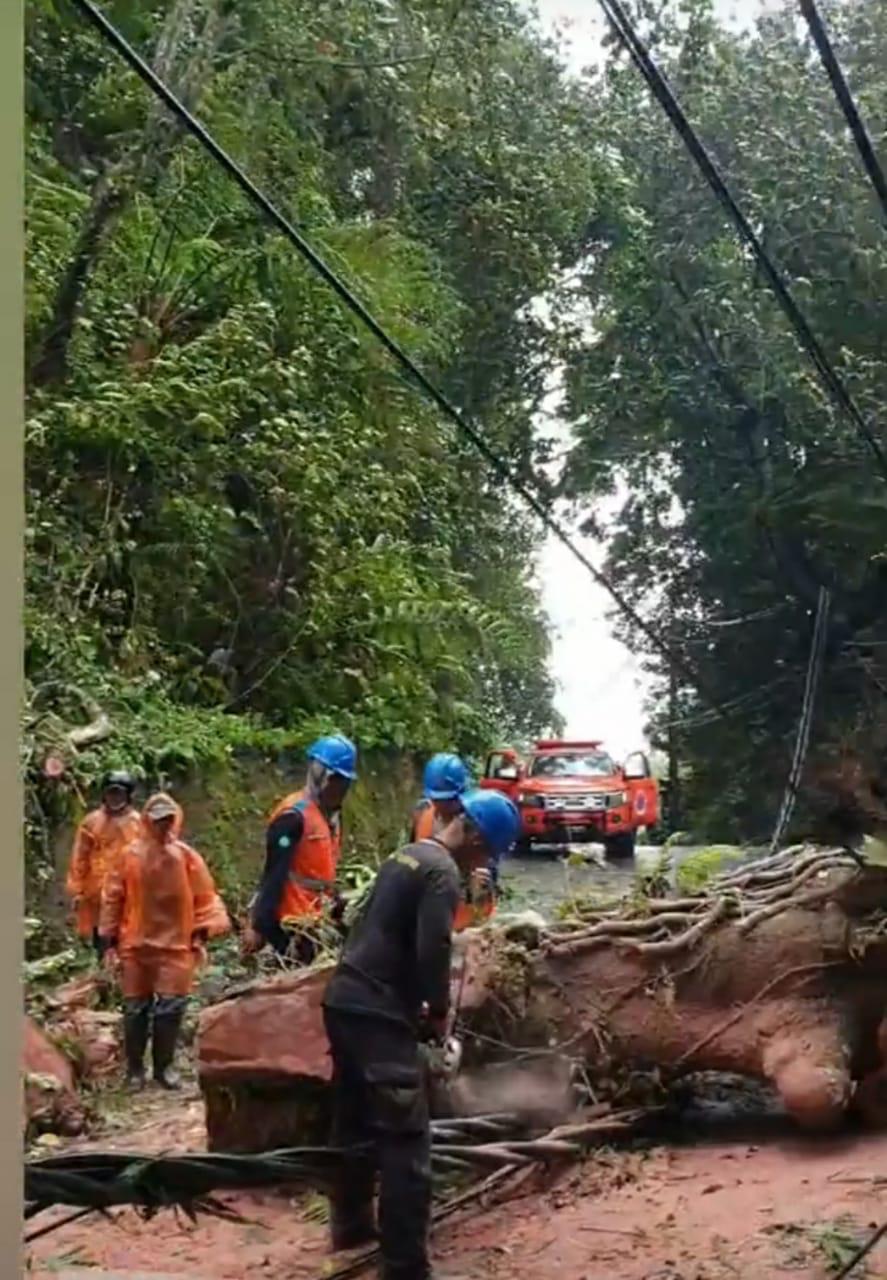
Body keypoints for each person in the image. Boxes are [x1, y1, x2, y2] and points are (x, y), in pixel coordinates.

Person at [322, 788, 520, 1280]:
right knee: (406, 1139)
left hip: (344, 998)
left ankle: (349, 1226)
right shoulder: (442, 873)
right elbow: (433, 946)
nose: (484, 864)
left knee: (353, 1121)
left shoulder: (405, 855)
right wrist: (437, 1013)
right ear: (475, 836)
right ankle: (405, 1265)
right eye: (486, 854)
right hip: (378, 1011)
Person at [100, 792, 230, 1090]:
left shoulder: (186, 856)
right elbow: (113, 897)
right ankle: (135, 1070)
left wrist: (201, 931)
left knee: (171, 1007)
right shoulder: (129, 856)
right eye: (158, 820)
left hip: (175, 945)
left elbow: (205, 896)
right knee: (135, 1008)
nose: (163, 825)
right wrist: (109, 939)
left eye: (168, 820)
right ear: (148, 820)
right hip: (135, 945)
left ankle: (164, 1067)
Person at [245, 734, 358, 963]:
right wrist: (260, 925)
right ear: (319, 775)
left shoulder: (331, 816)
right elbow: (274, 873)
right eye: (335, 780)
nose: (338, 788)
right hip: (294, 924)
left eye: (343, 783)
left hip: (319, 917)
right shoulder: (292, 817)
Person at [411, 754, 496, 932]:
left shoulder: (475, 823)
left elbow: (485, 876)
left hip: (463, 913)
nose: (443, 806)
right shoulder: (422, 813)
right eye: (438, 800)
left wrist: (479, 896)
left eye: (449, 801)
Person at [66, 771, 141, 961]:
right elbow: (80, 857)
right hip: (97, 892)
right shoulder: (91, 822)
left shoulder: (139, 823)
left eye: (119, 794)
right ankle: (103, 971)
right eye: (111, 793)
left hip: (128, 891)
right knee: (100, 938)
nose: (114, 799)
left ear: (128, 796)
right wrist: (77, 890)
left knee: (127, 936)